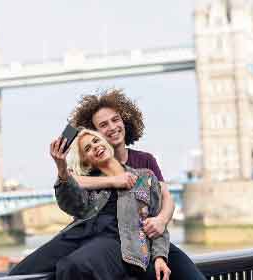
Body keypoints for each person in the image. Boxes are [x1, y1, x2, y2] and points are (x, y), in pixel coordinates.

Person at [68, 89, 206, 280]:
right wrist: (114, 180)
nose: (112, 127)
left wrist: (161, 221)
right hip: (116, 247)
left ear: (125, 121)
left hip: (150, 241)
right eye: (103, 125)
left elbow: (166, 198)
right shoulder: (93, 167)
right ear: (95, 133)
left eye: (115, 120)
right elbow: (71, 180)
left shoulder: (145, 160)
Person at [9, 128, 171, 280]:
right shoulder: (89, 183)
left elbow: (157, 220)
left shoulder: (145, 178)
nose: (95, 147)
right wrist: (61, 167)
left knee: (74, 266)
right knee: (18, 274)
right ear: (87, 162)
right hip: (78, 235)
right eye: (87, 148)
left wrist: (160, 257)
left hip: (118, 240)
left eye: (96, 141)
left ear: (106, 143)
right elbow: (71, 203)